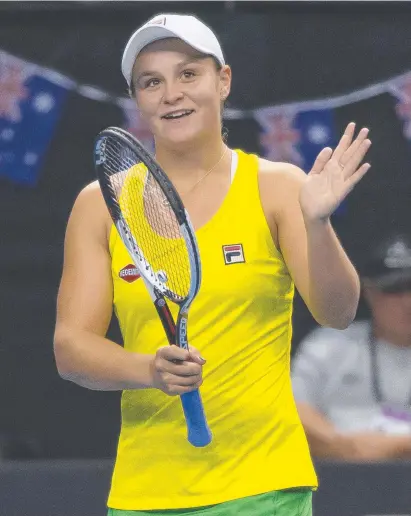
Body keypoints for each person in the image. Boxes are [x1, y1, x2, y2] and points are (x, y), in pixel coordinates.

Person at [53, 13, 371, 516]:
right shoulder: (101, 204)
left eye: (188, 74)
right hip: (144, 494)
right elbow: (71, 349)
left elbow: (338, 312)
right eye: (150, 82)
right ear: (137, 99)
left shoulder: (279, 186)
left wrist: (318, 224)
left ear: (223, 81)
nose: (170, 93)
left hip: (264, 485)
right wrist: (149, 370)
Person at [292, 233, 411, 462]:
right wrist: (340, 444)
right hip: (341, 475)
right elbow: (295, 408)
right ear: (369, 292)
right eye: (394, 289)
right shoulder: (328, 345)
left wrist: (395, 446)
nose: (407, 302)